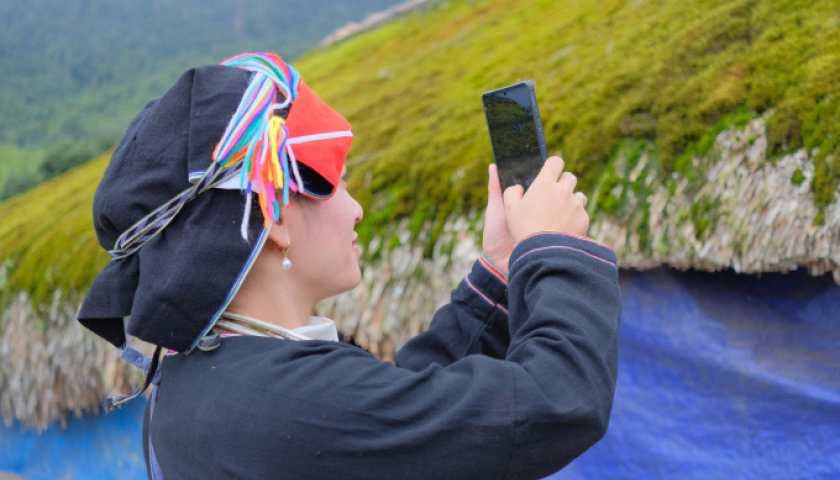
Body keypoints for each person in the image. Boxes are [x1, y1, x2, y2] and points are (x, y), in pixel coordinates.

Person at [78, 53, 620, 480]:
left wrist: (498, 272)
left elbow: (392, 411)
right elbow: (557, 403)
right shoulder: (291, 402)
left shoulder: (201, 379)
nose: (356, 208)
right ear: (275, 217)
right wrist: (552, 249)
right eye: (337, 183)